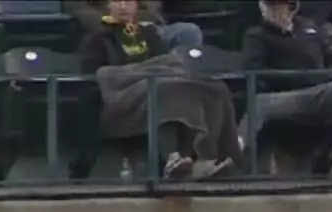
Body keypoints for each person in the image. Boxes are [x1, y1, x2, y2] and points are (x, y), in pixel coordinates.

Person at [78, 0, 241, 179]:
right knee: (165, 89)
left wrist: (151, 71)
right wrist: (137, 74)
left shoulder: (149, 33)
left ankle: (209, 157)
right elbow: (97, 77)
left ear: (137, 5)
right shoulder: (98, 37)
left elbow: (166, 65)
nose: (123, 6)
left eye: (128, 1)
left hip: (157, 86)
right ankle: (172, 158)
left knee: (211, 88)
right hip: (123, 101)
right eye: (117, 1)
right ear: (108, 5)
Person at [240, 0, 332, 175]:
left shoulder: (309, 29)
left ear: (291, 7)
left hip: (317, 92)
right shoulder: (256, 34)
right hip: (282, 96)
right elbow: (254, 72)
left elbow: (331, 60)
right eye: (269, 6)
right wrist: (298, 77)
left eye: (278, 6)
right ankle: (233, 152)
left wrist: (329, 72)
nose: (273, 11)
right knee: (259, 103)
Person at [64, 0, 203, 50]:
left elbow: (151, 10)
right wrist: (110, 20)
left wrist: (132, 19)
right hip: (107, 30)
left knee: (188, 31)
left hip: (146, 27)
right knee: (99, 42)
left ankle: (178, 84)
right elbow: (77, 7)